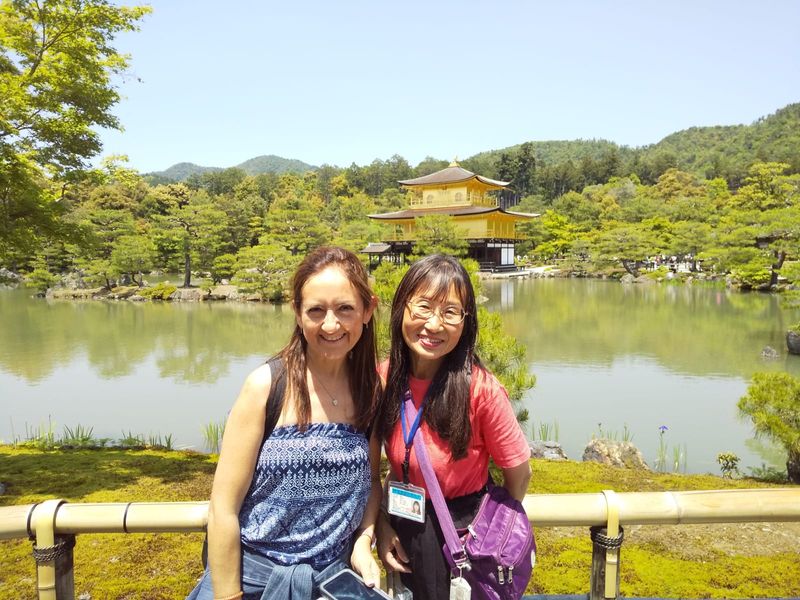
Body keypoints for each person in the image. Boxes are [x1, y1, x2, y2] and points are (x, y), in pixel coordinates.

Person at [187, 246, 382, 600]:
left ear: (367, 310)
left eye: (345, 309)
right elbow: (223, 509)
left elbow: (371, 482)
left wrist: (364, 540)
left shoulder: (370, 389)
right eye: (316, 310)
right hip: (252, 582)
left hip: (331, 583)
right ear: (296, 312)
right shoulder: (266, 386)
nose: (331, 324)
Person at [375, 254, 532, 600]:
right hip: (407, 526)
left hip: (464, 533)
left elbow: (518, 474)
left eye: (450, 312)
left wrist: (491, 533)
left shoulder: (481, 390)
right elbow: (383, 468)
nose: (434, 324)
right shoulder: (384, 378)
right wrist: (382, 525)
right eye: (424, 307)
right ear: (402, 308)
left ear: (465, 321)